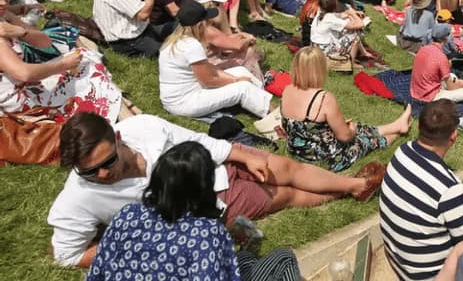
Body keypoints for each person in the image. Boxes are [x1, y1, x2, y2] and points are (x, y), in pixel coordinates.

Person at [49, 112, 385, 267]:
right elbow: (68, 254)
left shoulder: (142, 127)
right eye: (90, 171)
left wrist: (238, 154)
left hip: (216, 163)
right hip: (211, 204)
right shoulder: (77, 198)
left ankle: (356, 185)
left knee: (285, 168)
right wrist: (141, 243)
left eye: (107, 161)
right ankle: (345, 192)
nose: (103, 173)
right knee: (283, 195)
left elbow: (193, 139)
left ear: (117, 137)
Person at [85, 141, 301, 281]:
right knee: (283, 257)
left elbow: (96, 274)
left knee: (244, 258)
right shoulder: (205, 234)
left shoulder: (127, 215)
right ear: (204, 186)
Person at [379, 100, 463, 280]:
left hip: (398, 259)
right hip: (428, 275)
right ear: (453, 136)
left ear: (420, 126)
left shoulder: (402, 151)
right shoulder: (450, 188)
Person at [281, 47, 411, 172]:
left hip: (298, 151)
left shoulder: (287, 90)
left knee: (356, 127)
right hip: (325, 159)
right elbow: (345, 137)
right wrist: (351, 131)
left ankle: (397, 125)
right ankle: (397, 133)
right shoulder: (323, 98)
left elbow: (297, 126)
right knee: (365, 141)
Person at [158, 0, 273, 120]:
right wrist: (235, 81)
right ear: (198, 25)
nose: (208, 24)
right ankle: (277, 116)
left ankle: (263, 99)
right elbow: (209, 81)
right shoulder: (191, 45)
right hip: (184, 102)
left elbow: (209, 69)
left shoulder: (173, 40)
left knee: (241, 70)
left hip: (180, 95)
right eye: (206, 21)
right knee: (243, 88)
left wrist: (235, 77)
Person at [411, 23, 463, 102]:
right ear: (446, 39)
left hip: (417, 91)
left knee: (452, 76)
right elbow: (452, 88)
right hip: (431, 97)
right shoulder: (441, 57)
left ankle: (458, 83)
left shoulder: (422, 49)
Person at [310, 0, 374, 66]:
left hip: (316, 46)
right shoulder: (330, 19)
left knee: (348, 26)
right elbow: (360, 24)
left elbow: (339, 16)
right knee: (355, 36)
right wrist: (353, 13)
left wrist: (349, 14)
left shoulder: (321, 12)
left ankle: (364, 52)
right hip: (325, 52)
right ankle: (351, 63)